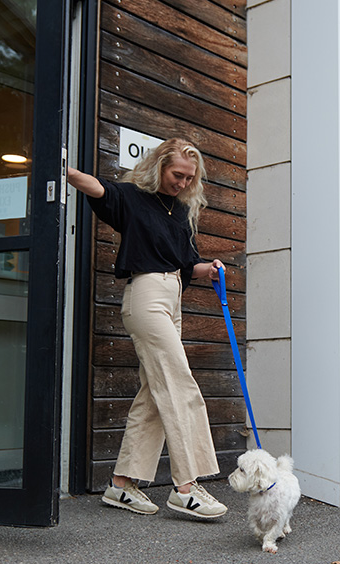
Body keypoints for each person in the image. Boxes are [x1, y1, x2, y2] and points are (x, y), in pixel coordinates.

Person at [67, 138, 227, 518]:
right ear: (159, 167)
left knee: (155, 392)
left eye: (190, 177)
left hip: (173, 297)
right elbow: (98, 189)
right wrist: (63, 170)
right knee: (179, 383)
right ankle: (187, 486)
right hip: (146, 296)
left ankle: (121, 485)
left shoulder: (182, 210)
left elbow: (187, 265)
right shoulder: (133, 198)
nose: (183, 183)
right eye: (177, 175)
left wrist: (210, 268)